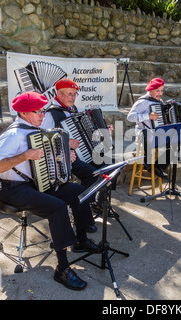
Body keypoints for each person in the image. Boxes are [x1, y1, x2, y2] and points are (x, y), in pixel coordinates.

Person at [0, 91, 100, 291]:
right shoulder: (12, 135)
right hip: (13, 189)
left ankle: (81, 241)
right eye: (36, 111)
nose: (41, 114)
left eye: (42, 110)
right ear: (22, 113)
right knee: (57, 207)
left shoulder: (38, 129)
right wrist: (24, 156)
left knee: (79, 192)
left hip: (37, 183)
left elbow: (48, 160)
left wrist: (66, 158)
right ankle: (62, 268)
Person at [41, 79, 112, 230]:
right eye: (69, 94)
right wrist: (66, 143)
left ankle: (97, 203)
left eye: (74, 94)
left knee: (110, 164)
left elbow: (85, 133)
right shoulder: (50, 114)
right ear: (59, 94)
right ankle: (82, 215)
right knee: (91, 174)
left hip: (82, 153)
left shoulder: (73, 109)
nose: (73, 98)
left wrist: (101, 133)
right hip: (63, 158)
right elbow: (43, 140)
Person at [126, 77, 169, 178]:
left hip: (156, 133)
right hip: (143, 132)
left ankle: (158, 167)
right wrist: (147, 116)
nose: (160, 93)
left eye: (162, 91)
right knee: (147, 134)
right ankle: (148, 165)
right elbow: (130, 117)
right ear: (150, 90)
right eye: (157, 91)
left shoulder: (159, 101)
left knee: (177, 139)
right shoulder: (143, 102)